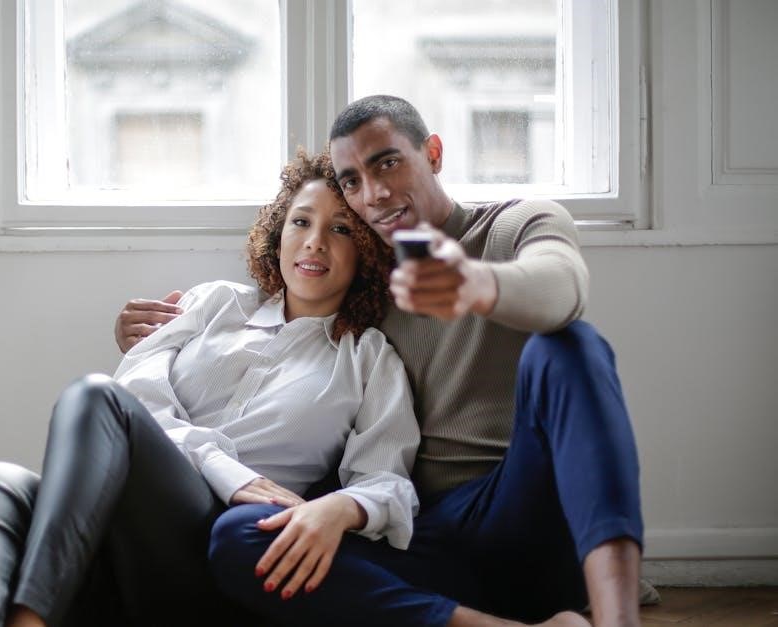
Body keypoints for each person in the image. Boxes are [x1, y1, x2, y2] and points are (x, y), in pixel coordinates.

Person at [118, 96, 644, 627]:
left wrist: (475, 282)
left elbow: (563, 290)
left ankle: (617, 618)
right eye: (352, 181)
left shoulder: (515, 225)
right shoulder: (361, 287)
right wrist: (155, 339)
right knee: (243, 536)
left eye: (387, 163)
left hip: (519, 504)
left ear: (433, 153)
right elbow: (290, 342)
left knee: (570, 345)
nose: (373, 194)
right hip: (420, 538)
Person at [0, 150, 422, 627]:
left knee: (93, 395)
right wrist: (222, 468)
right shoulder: (214, 303)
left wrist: (341, 509)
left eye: (341, 229)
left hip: (216, 548)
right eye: (301, 222)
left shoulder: (368, 358)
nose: (314, 242)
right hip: (116, 534)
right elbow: (135, 394)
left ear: (366, 250)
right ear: (278, 237)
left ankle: (31, 617)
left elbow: (388, 483)